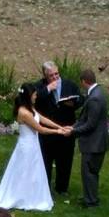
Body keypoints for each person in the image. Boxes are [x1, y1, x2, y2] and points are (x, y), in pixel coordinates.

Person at [0, 83, 65, 211]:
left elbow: (42, 119)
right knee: (24, 171)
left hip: (33, 145)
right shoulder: (24, 113)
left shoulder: (30, 108)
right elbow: (40, 129)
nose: (36, 97)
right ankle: (23, 196)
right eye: (34, 95)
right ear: (29, 96)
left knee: (33, 170)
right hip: (27, 146)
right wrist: (57, 132)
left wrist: (59, 126)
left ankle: (31, 195)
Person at [33, 61, 81, 195]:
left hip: (66, 128)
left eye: (57, 74)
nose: (55, 77)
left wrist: (74, 103)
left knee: (65, 161)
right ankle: (45, 188)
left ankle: (62, 188)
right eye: (51, 75)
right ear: (45, 76)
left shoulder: (69, 85)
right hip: (47, 132)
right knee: (46, 161)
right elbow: (34, 100)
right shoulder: (39, 86)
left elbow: (80, 99)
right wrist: (49, 89)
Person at [66, 69, 109, 209]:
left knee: (89, 172)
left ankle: (91, 201)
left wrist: (73, 131)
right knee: (89, 172)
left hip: (94, 143)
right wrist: (73, 127)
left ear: (83, 82)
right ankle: (89, 197)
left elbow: (90, 124)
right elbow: (85, 120)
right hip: (95, 142)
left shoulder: (94, 98)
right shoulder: (97, 94)